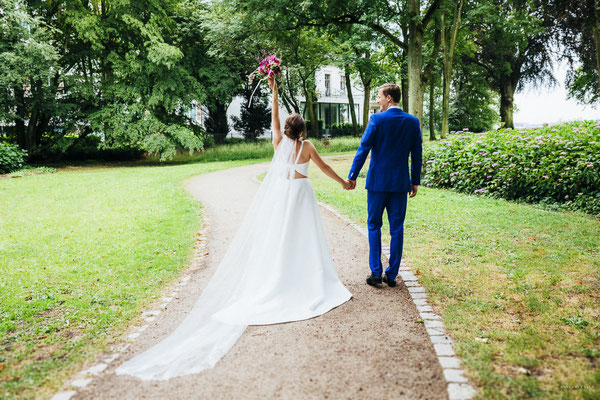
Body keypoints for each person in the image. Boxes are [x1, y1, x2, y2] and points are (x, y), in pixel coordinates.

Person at [114, 76, 352, 381]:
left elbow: (274, 119)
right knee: (305, 240)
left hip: (284, 198)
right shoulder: (307, 147)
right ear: (303, 131)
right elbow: (325, 169)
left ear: (286, 131)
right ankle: (307, 277)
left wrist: (274, 92)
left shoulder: (279, 144)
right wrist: (343, 181)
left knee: (281, 239)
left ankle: (282, 276)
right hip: (302, 196)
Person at [347, 83, 422, 288]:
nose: (378, 100)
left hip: (377, 184)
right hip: (400, 184)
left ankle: (376, 272)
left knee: (374, 226)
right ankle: (392, 275)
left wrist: (353, 175)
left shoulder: (376, 120)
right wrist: (415, 181)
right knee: (397, 228)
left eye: (379, 96)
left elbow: (363, 148)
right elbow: (417, 154)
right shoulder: (413, 122)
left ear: (389, 98)